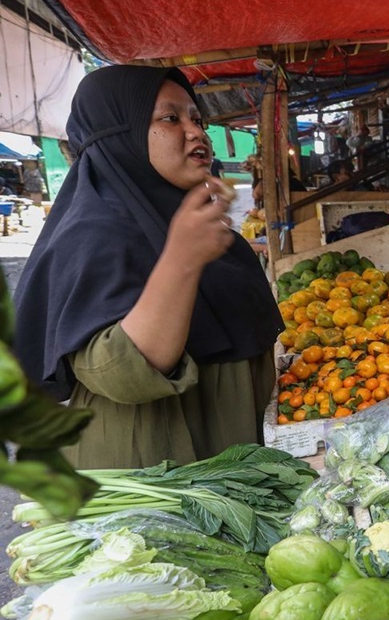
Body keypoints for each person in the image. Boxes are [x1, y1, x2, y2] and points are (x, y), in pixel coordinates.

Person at [13, 65, 282, 469]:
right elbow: (121, 373)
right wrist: (181, 260)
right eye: (170, 118)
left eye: (197, 118)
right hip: (156, 470)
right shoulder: (93, 233)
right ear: (121, 134)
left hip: (224, 460)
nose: (196, 132)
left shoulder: (188, 218)